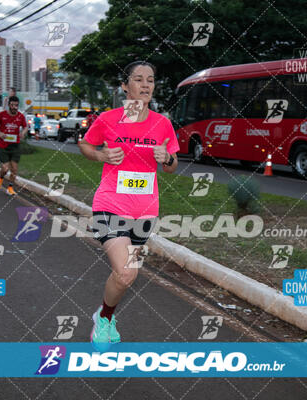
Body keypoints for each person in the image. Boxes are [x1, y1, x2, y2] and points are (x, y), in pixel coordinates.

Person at [78, 61, 179, 349]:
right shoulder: (109, 119)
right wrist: (101, 156)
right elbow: (86, 144)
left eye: (150, 79)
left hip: (145, 212)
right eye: (138, 79)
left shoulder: (163, 124)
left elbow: (173, 166)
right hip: (109, 206)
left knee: (128, 276)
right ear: (125, 86)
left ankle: (105, 315)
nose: (145, 85)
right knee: (124, 271)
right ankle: (104, 320)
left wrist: (166, 159)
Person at [0, 95, 28, 196]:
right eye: (12, 105)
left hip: (15, 146)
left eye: (16, 105)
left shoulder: (21, 116)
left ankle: (10, 188)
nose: (14, 107)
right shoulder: (2, 115)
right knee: (5, 168)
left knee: (14, 169)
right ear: (9, 105)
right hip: (3, 145)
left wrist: (23, 132)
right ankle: (0, 178)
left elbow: (26, 127)